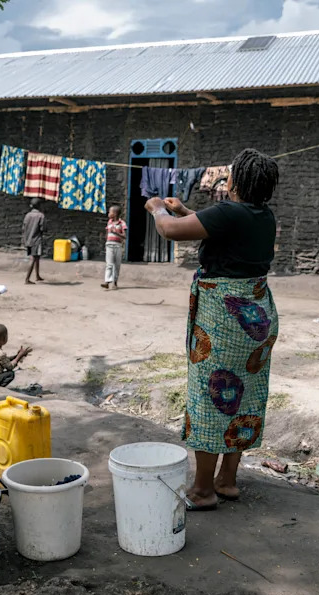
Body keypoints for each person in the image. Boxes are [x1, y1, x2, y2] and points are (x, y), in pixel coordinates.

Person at [145, 148, 280, 511]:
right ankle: (227, 481)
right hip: (255, 316)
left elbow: (170, 231)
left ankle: (203, 490)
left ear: (236, 180)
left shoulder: (229, 212)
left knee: (212, 394)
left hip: (224, 316)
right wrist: (187, 212)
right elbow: (219, 230)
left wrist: (158, 208)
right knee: (244, 392)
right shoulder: (263, 216)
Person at [102, 205, 127, 290]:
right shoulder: (109, 222)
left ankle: (115, 282)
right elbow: (107, 234)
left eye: (110, 212)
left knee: (116, 265)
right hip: (109, 245)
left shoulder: (122, 223)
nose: (108, 213)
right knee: (109, 264)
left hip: (118, 246)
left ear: (115, 213)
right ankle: (107, 282)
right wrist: (106, 243)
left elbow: (124, 236)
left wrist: (116, 232)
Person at [22, 198, 46, 284]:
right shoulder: (41, 216)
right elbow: (43, 228)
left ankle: (37, 276)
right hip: (36, 240)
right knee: (34, 258)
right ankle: (27, 279)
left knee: (37, 257)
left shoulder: (28, 215)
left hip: (28, 239)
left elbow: (24, 227)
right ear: (39, 206)